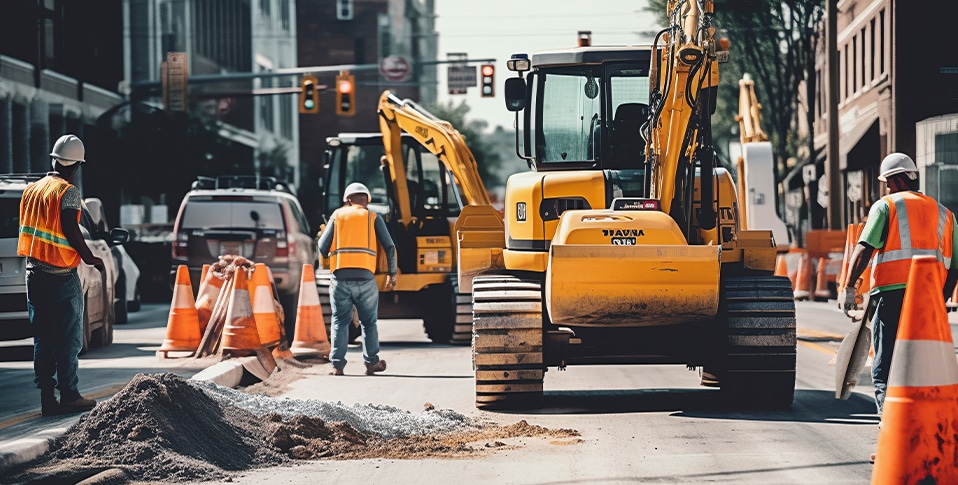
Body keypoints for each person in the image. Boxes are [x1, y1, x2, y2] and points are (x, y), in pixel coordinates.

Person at [843, 152, 958, 419]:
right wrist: (940, 298)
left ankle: (891, 430)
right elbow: (954, 265)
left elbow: (864, 249)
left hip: (891, 295)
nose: (886, 187)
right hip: (928, 299)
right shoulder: (946, 214)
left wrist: (849, 287)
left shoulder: (886, 206)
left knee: (885, 366)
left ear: (897, 181)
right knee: (920, 364)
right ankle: (924, 424)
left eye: (888, 182)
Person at [18, 134, 105, 416]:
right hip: (61, 275)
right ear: (76, 166)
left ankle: (47, 398)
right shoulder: (67, 192)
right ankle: (69, 394)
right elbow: (70, 229)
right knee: (68, 338)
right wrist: (91, 258)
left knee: (43, 337)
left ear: (54, 159)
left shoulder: (32, 190)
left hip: (34, 273)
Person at [317, 182, 397, 376]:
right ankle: (371, 363)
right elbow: (390, 247)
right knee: (368, 322)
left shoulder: (337, 215)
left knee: (340, 321)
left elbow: (321, 246)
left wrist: (331, 256)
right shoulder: (372, 216)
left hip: (340, 278)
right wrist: (392, 274)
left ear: (348, 200)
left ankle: (337, 366)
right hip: (365, 279)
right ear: (367, 201)